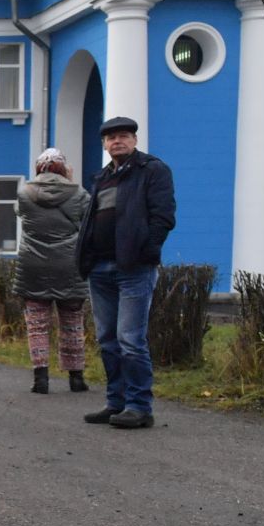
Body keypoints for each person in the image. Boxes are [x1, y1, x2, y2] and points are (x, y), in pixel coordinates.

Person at [74, 116, 176, 430]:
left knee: (130, 339)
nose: (116, 142)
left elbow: (163, 216)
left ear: (133, 140)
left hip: (133, 267)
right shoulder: (102, 177)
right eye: (110, 138)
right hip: (101, 269)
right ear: (104, 145)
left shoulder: (152, 170)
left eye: (123, 136)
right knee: (107, 340)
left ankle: (139, 406)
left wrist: (147, 249)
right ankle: (115, 402)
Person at [14, 147, 92, 395]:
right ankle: (76, 378)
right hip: (69, 264)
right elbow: (87, 218)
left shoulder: (25, 192)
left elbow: (20, 213)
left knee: (37, 324)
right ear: (63, 168)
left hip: (33, 266)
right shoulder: (79, 193)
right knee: (72, 323)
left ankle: (41, 379)